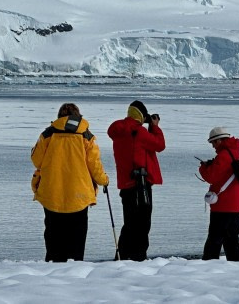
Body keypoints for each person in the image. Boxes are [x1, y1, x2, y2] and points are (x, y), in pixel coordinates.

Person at [30, 103, 110, 262]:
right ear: (77, 116)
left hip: (52, 194)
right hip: (79, 196)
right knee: (77, 238)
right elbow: (94, 165)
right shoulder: (86, 136)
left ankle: (53, 267)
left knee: (53, 237)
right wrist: (104, 180)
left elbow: (36, 160)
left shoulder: (47, 135)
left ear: (59, 116)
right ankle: (74, 272)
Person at [107, 100, 165, 261]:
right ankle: (138, 258)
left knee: (129, 223)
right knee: (142, 223)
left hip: (126, 184)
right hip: (141, 184)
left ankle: (123, 257)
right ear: (140, 116)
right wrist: (155, 127)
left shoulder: (119, 132)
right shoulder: (139, 132)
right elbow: (159, 145)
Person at [198, 126, 239, 261]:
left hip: (223, 205)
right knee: (232, 238)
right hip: (237, 204)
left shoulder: (224, 155)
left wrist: (203, 168)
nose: (213, 146)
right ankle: (237, 265)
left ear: (219, 140)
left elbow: (211, 177)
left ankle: (208, 267)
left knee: (214, 239)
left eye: (213, 143)